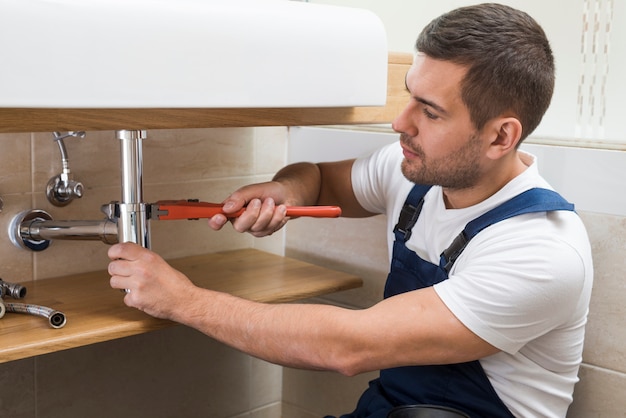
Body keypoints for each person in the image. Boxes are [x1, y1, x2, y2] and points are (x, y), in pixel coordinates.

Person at [107, 3, 593, 417]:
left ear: (500, 136)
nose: (399, 122)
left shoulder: (541, 250)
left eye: (430, 111)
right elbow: (318, 177)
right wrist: (286, 192)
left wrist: (183, 300)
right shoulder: (414, 171)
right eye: (408, 95)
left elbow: (348, 346)